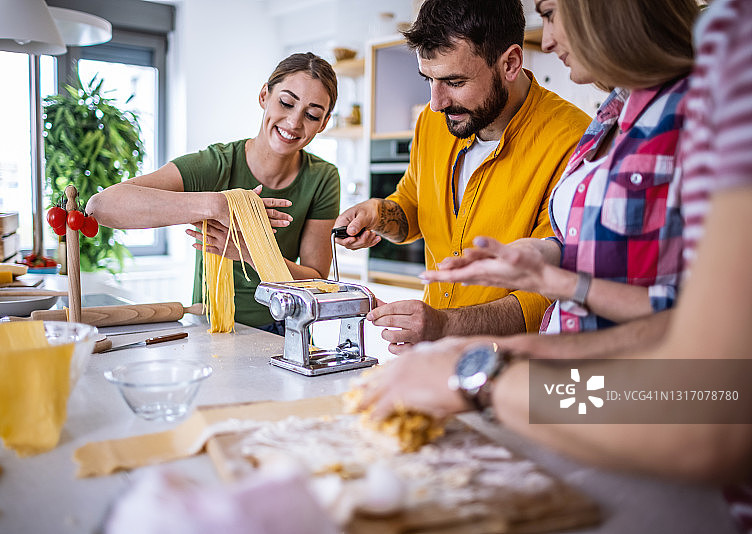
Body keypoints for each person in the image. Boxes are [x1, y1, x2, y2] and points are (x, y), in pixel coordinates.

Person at [355, 0, 752, 522]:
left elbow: (710, 408)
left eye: (550, 10)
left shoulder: (725, 54)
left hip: (618, 418)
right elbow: (670, 318)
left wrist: (478, 377)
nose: (550, 34)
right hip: (571, 395)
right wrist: (530, 319)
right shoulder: (616, 110)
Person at [422, 0, 697, 338]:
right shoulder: (613, 112)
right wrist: (544, 252)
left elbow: (705, 315)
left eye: (550, 13)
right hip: (575, 373)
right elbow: (607, 247)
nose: (547, 41)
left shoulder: (703, 116)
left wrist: (559, 283)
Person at [334, 0, 591, 353]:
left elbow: (551, 290)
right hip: (431, 357)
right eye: (429, 80)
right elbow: (411, 206)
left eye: (454, 81)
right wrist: (378, 213)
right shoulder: (432, 122)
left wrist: (447, 326)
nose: (436, 102)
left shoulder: (573, 140)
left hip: (514, 367)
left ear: (510, 63)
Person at [87, 53, 340, 334]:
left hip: (285, 328)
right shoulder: (216, 165)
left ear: (324, 122)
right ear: (264, 96)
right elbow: (101, 206)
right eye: (286, 102)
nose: (294, 122)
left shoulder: (322, 177)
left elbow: (317, 282)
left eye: (312, 114)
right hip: (210, 326)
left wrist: (249, 252)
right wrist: (218, 203)